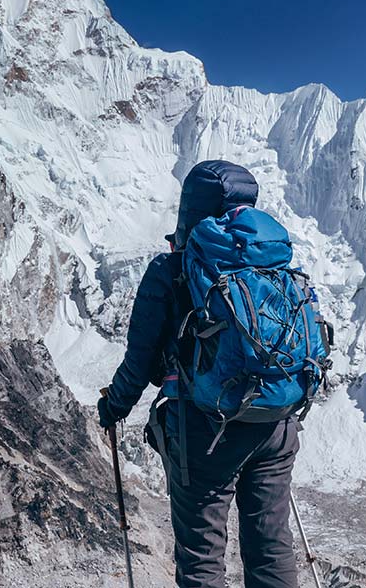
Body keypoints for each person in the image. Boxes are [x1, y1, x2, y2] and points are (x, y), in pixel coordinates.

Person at [97, 159, 301, 588]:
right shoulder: (275, 265)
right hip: (275, 425)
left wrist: (113, 406)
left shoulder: (171, 271)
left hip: (204, 432)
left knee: (202, 557)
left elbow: (139, 363)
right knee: (271, 546)